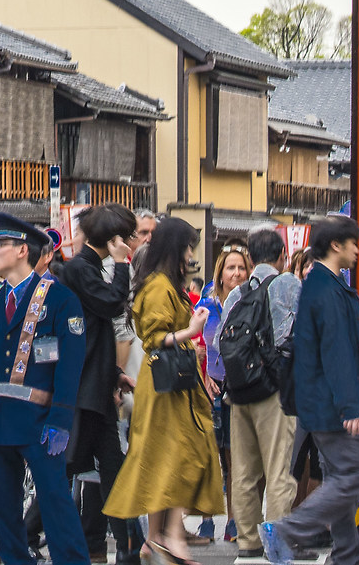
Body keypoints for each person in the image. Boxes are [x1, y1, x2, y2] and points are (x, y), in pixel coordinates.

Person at [0, 217, 88, 565]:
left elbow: (70, 366)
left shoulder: (60, 299)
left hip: (39, 420)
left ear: (23, 250)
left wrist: (61, 419)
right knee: (5, 512)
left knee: (55, 504)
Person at [259, 215, 359, 565]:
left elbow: (335, 339)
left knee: (338, 479)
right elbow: (336, 351)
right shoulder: (326, 287)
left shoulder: (323, 284)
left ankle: (346, 554)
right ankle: (285, 531)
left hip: (323, 403)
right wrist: (351, 406)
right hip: (333, 405)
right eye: (353, 244)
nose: (358, 251)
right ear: (336, 245)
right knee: (350, 477)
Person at [107, 217, 224, 563]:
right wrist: (192, 330)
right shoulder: (160, 286)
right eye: (188, 246)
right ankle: (170, 536)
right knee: (181, 455)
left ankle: (156, 538)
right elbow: (156, 338)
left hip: (168, 384)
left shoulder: (160, 283)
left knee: (163, 457)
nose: (190, 254)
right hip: (167, 387)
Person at [59, 201, 146, 565]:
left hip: (94, 385)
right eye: (127, 237)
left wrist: (113, 374)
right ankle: (28, 533)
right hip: (83, 391)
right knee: (71, 469)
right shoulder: (81, 269)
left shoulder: (86, 268)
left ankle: (128, 548)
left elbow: (93, 338)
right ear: (114, 240)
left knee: (110, 469)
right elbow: (111, 305)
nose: (132, 242)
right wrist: (124, 265)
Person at [220, 228, 301, 557]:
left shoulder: (235, 296)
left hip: (240, 392)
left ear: (250, 259)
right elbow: (296, 336)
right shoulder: (288, 284)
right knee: (278, 471)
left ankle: (248, 542)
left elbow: (221, 345)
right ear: (283, 255)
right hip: (274, 392)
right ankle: (277, 544)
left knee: (243, 472)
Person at [194, 246, 249, 545]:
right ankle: (205, 519)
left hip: (239, 387)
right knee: (208, 456)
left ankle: (232, 520)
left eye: (241, 267)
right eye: (231, 268)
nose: (236, 273)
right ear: (220, 272)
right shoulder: (207, 304)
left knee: (234, 456)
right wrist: (203, 376)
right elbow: (194, 343)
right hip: (209, 386)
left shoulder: (250, 302)